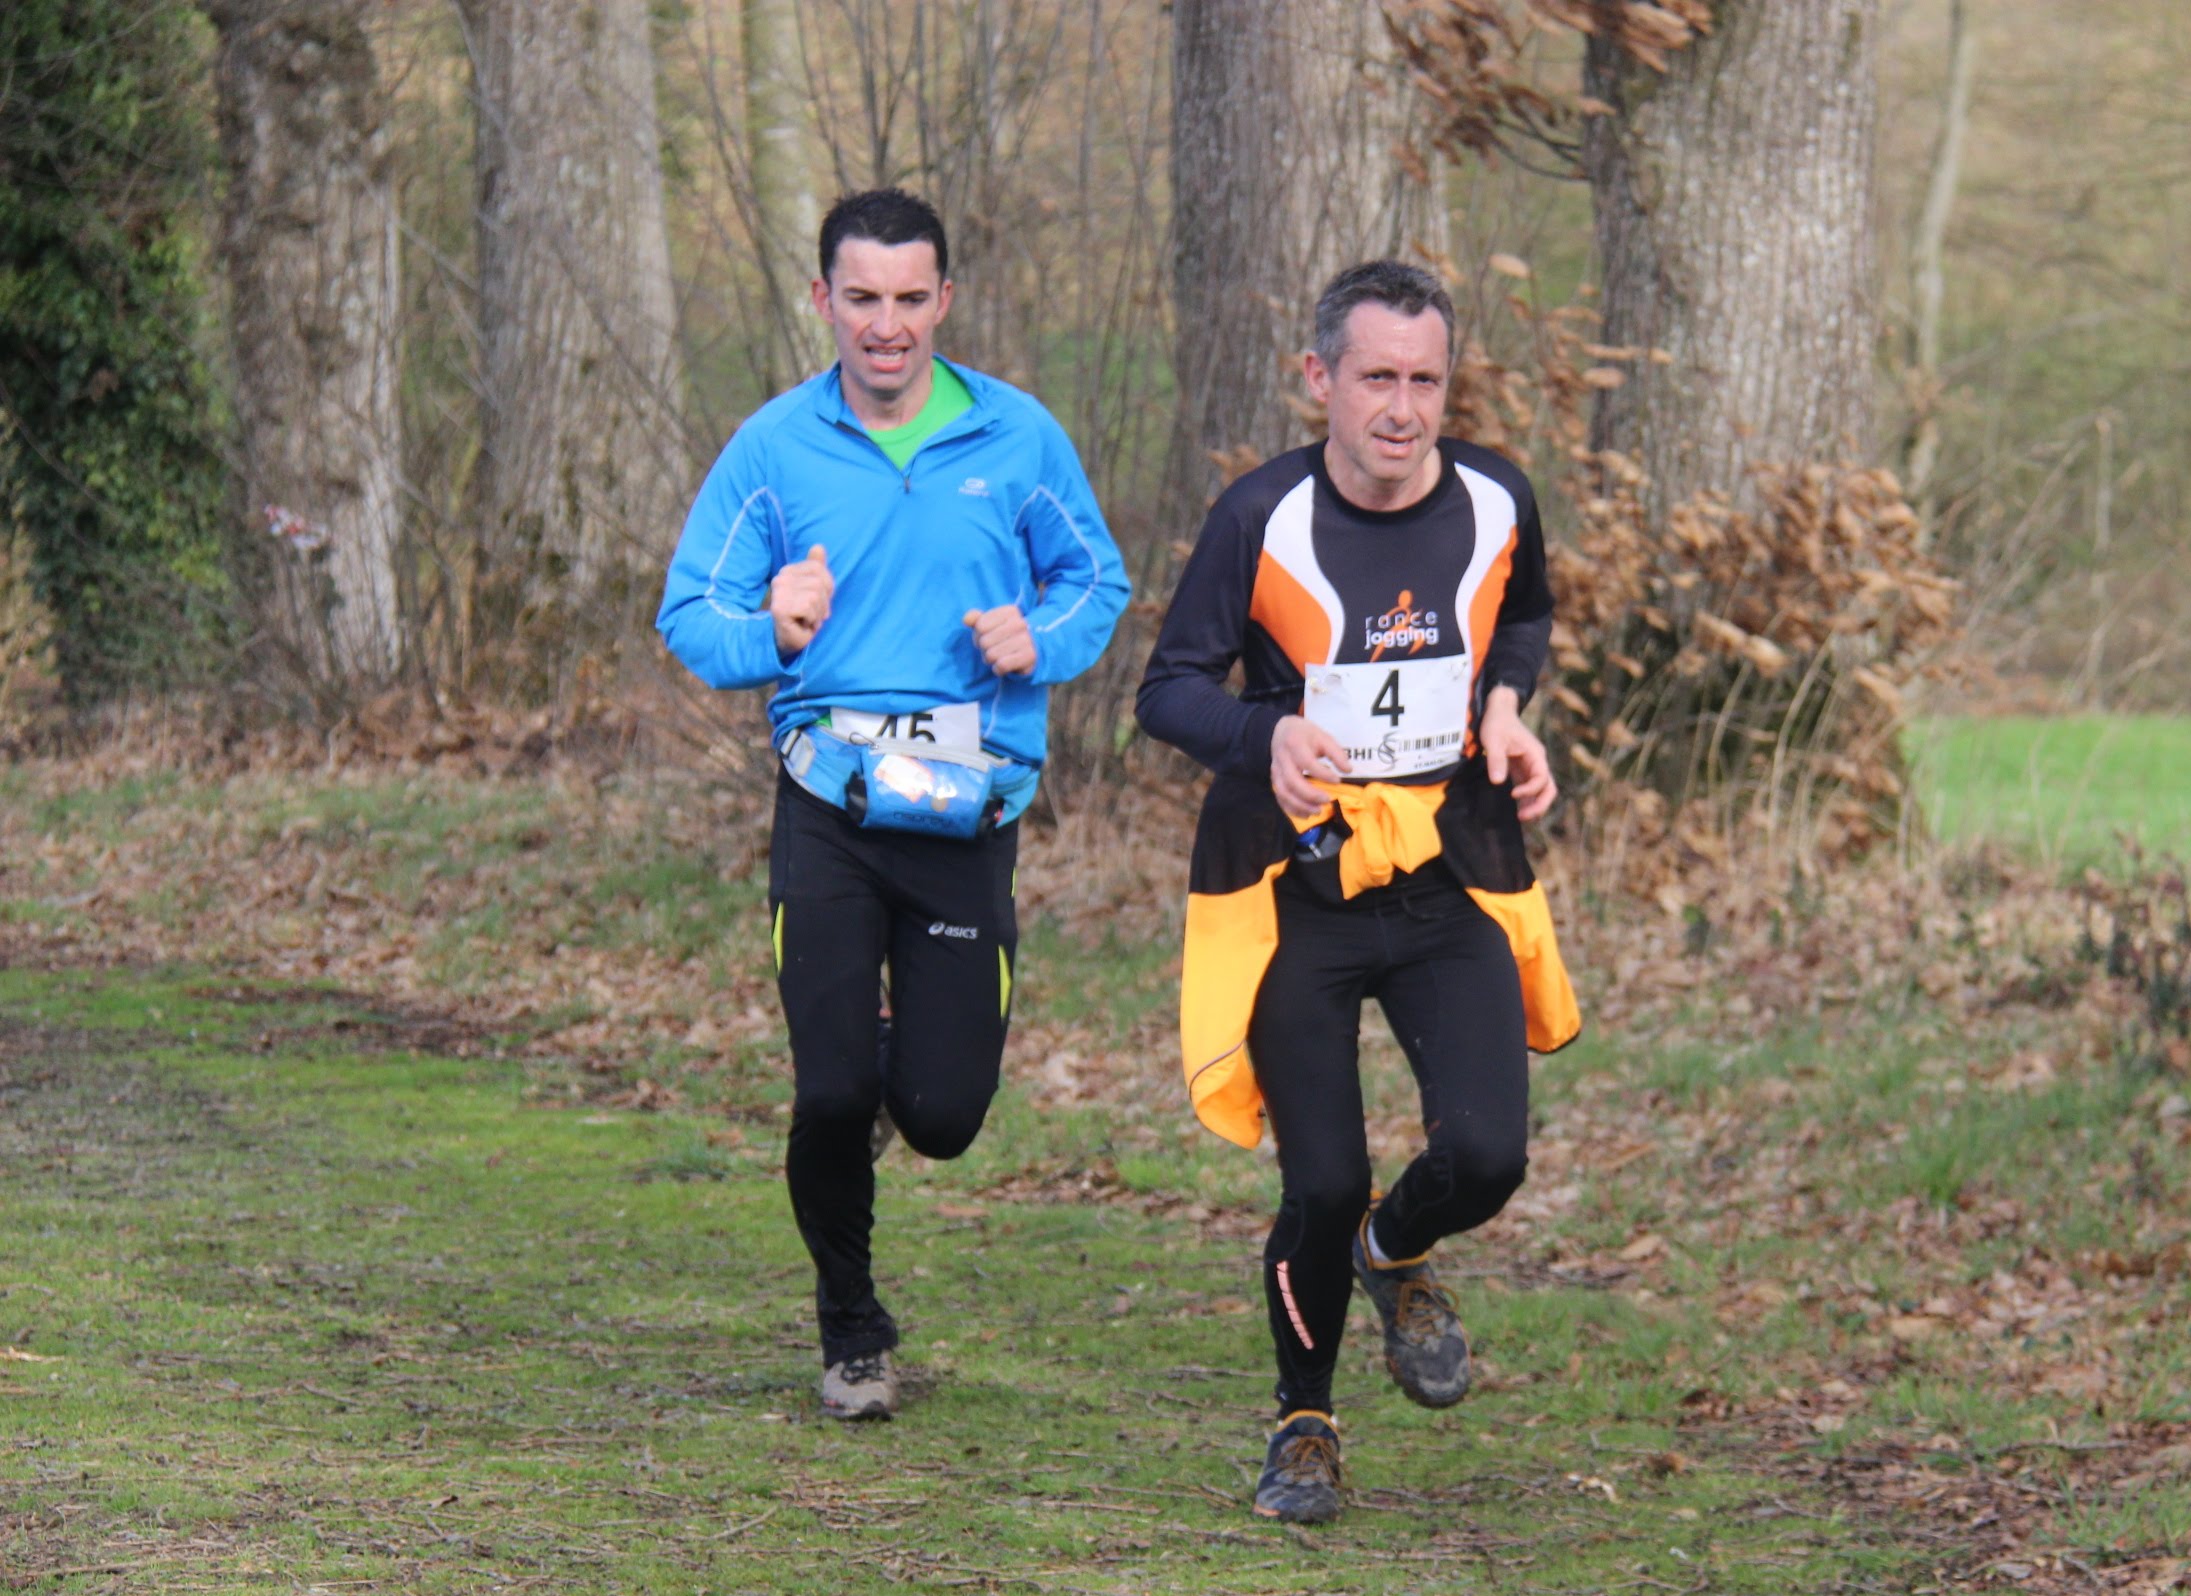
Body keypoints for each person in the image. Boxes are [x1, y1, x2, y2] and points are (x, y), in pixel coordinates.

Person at [658, 188, 1127, 1422]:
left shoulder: (1018, 438)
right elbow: (690, 616)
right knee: (825, 1094)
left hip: (967, 814)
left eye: (911, 298)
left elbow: (1098, 582)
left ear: (945, 301)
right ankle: (852, 1327)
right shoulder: (774, 449)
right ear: (823, 299)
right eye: (862, 297)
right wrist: (773, 630)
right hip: (829, 805)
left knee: (943, 1115)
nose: (886, 324)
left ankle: (881, 1076)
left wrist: (1041, 639)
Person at [1135, 260, 1580, 1523]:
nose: (1403, 408)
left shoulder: (1497, 497)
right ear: (1320, 378)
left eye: (1426, 380)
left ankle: (1395, 1252)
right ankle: (1305, 1423)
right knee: (1322, 1181)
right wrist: (1261, 735)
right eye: (1376, 377)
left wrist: (1505, 707)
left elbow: (1524, 618)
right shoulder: (1259, 516)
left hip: (1446, 875)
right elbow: (1166, 689)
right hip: (1298, 888)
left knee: (1488, 1156)